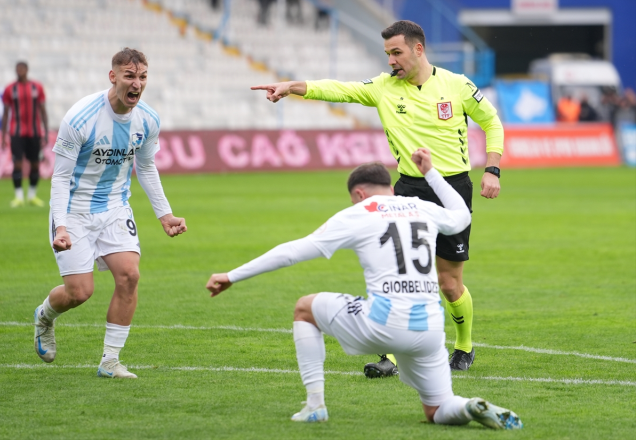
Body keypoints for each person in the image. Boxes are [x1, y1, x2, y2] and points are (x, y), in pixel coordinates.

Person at [251, 20, 505, 373]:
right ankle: (389, 354)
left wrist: (492, 169)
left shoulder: (457, 85)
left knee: (448, 282)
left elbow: (492, 123)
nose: (390, 61)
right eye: (387, 54)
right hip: (406, 190)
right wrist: (291, 86)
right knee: (393, 274)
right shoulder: (383, 88)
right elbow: (339, 90)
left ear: (418, 49)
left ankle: (464, 346)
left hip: (452, 190)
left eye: (396, 53)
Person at [206, 149, 522, 429]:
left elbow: (293, 251)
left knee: (305, 308)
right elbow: (461, 216)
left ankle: (315, 406)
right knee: (436, 409)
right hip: (428, 328)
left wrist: (233, 275)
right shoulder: (420, 206)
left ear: (359, 193)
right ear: (389, 186)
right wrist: (430, 173)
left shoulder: (358, 213)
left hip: (383, 323)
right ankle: (467, 406)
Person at [32, 48, 187, 379]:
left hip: (116, 207)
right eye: (130, 76)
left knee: (130, 275)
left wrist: (165, 215)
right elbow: (59, 178)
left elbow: (145, 166)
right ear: (113, 76)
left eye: (143, 77)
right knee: (79, 293)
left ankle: (110, 361)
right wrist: (61, 227)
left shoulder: (148, 119)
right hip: (74, 212)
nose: (137, 84)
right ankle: (45, 316)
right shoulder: (81, 117)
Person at [0, 61, 49, 208]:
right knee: (17, 163)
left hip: (34, 133)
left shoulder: (37, 87)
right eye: (17, 69)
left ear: (27, 70)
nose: (19, 71)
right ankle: (19, 197)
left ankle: (32, 196)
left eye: (22, 69)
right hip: (16, 133)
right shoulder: (10, 89)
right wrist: (3, 136)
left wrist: (45, 132)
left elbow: (43, 111)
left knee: (35, 165)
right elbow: (6, 113)